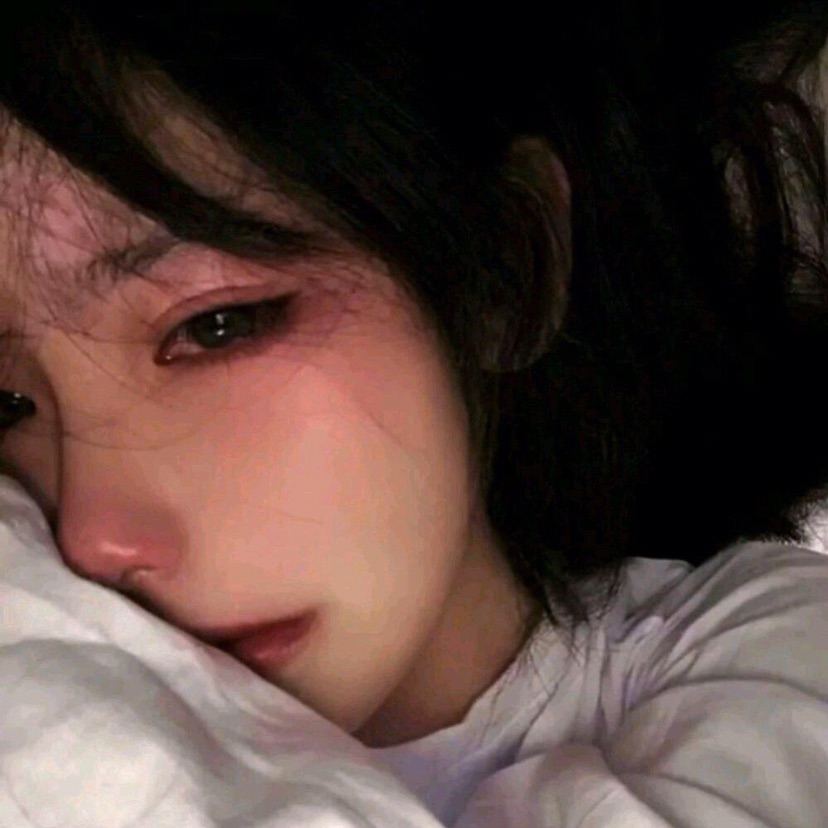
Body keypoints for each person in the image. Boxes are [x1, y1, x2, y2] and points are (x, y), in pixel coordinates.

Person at [1, 2, 828, 824]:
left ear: (503, 272)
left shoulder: (764, 658)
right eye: (6, 403)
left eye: (220, 324)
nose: (91, 536)